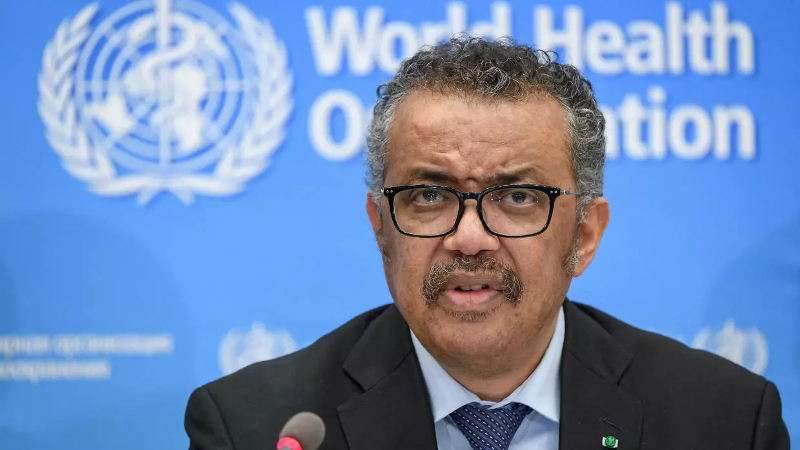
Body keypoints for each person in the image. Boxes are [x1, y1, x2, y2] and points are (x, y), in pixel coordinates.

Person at [184, 37, 789, 450]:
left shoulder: (724, 421)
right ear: (380, 227)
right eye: (428, 195)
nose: (468, 237)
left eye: (517, 196)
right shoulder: (259, 428)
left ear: (584, 234)